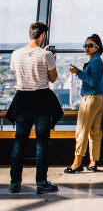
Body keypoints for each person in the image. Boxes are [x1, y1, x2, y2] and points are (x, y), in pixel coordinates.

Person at [5, 22, 62, 194]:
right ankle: (41, 183)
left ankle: (15, 183)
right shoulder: (46, 55)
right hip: (41, 100)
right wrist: (52, 59)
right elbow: (52, 79)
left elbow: (18, 75)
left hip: (22, 99)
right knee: (42, 144)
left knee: (19, 143)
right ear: (43, 35)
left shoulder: (15, 54)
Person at [65, 34, 103, 173]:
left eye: (90, 45)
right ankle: (93, 162)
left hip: (90, 98)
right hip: (99, 99)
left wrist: (78, 72)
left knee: (82, 130)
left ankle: (77, 163)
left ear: (97, 47)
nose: (87, 48)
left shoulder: (95, 62)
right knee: (95, 131)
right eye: (85, 45)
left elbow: (93, 81)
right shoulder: (97, 61)